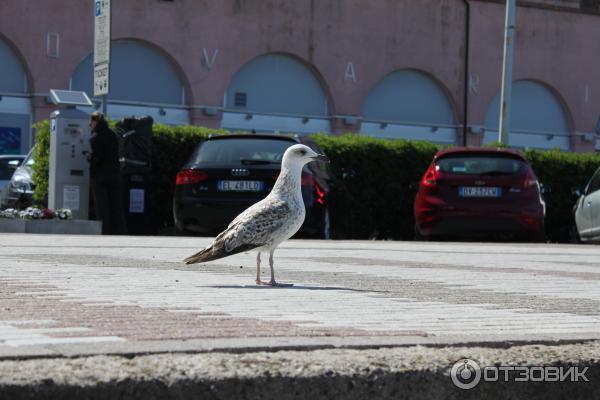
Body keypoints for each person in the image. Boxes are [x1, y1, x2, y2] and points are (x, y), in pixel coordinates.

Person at [86, 111, 127, 235]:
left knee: (102, 207)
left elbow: (98, 158)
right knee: (116, 206)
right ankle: (120, 232)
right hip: (114, 174)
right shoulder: (113, 135)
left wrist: (89, 157)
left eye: (91, 122)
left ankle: (105, 232)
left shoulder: (94, 138)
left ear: (95, 122)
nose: (89, 125)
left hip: (100, 176)